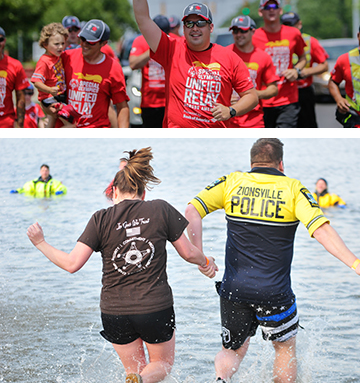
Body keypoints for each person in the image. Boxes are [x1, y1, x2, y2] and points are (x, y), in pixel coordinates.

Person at [183, 138, 360, 383]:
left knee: (232, 351)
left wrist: (201, 257)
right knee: (284, 347)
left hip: (234, 289)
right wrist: (356, 263)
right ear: (281, 164)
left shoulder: (231, 182)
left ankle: (221, 379)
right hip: (274, 292)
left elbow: (191, 210)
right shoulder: (294, 189)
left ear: (252, 162)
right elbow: (322, 231)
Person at [25, 148, 217, 383]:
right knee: (161, 365)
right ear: (143, 192)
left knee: (134, 370)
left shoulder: (100, 218)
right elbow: (188, 253)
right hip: (154, 307)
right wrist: (205, 262)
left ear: (114, 191)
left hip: (114, 311)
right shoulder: (160, 208)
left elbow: (72, 264)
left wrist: (40, 242)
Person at [128, 0, 259, 127]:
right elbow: (143, 19)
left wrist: (231, 111)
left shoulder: (230, 58)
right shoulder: (172, 49)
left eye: (200, 23)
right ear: (183, 28)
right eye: (189, 24)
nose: (195, 28)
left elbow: (251, 96)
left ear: (211, 27)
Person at [59, 19, 130, 128]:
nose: (84, 44)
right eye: (82, 39)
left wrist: (123, 137)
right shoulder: (67, 57)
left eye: (91, 42)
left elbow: (122, 106)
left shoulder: (113, 68)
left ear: (104, 43)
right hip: (69, 129)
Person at [251, 0, 307, 128]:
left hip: (288, 99)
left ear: (280, 10)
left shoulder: (293, 33)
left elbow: (303, 58)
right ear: (260, 11)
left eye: (274, 7)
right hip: (262, 99)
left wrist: (296, 70)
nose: (271, 10)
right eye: (267, 7)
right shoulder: (253, 36)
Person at [225, 15, 279, 128]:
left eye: (242, 31)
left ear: (252, 31)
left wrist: (254, 94)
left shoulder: (263, 57)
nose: (239, 35)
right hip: (227, 119)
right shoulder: (224, 54)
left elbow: (273, 88)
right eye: (235, 31)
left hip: (253, 120)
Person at [280, 11, 329, 128]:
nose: (289, 29)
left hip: (303, 92)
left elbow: (324, 65)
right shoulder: (277, 43)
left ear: (299, 24)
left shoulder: (310, 41)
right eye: (286, 25)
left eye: (292, 25)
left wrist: (305, 72)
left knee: (307, 127)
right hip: (282, 93)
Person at [128, 15, 170, 128]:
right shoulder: (141, 41)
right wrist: (153, 49)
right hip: (149, 103)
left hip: (170, 102)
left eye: (165, 33)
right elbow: (133, 64)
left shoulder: (173, 42)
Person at [31, 22, 69, 127]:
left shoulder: (57, 56)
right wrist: (49, 90)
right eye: (56, 44)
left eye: (63, 43)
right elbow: (36, 81)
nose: (60, 47)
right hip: (50, 98)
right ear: (45, 45)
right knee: (72, 124)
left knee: (51, 125)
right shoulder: (44, 61)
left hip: (57, 96)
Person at [0, 25, 28, 128]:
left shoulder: (15, 65)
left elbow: (20, 97)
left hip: (6, 123)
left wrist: (20, 126)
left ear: (5, 41)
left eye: (0, 39)